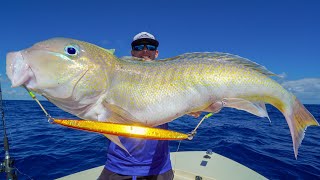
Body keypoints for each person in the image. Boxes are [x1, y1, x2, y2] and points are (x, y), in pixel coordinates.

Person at [98, 32, 174, 180]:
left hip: (158, 167)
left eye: (150, 47)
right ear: (132, 52)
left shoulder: (169, 81)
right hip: (118, 166)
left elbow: (191, 105)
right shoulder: (114, 77)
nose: (145, 51)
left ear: (156, 53)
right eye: (139, 47)